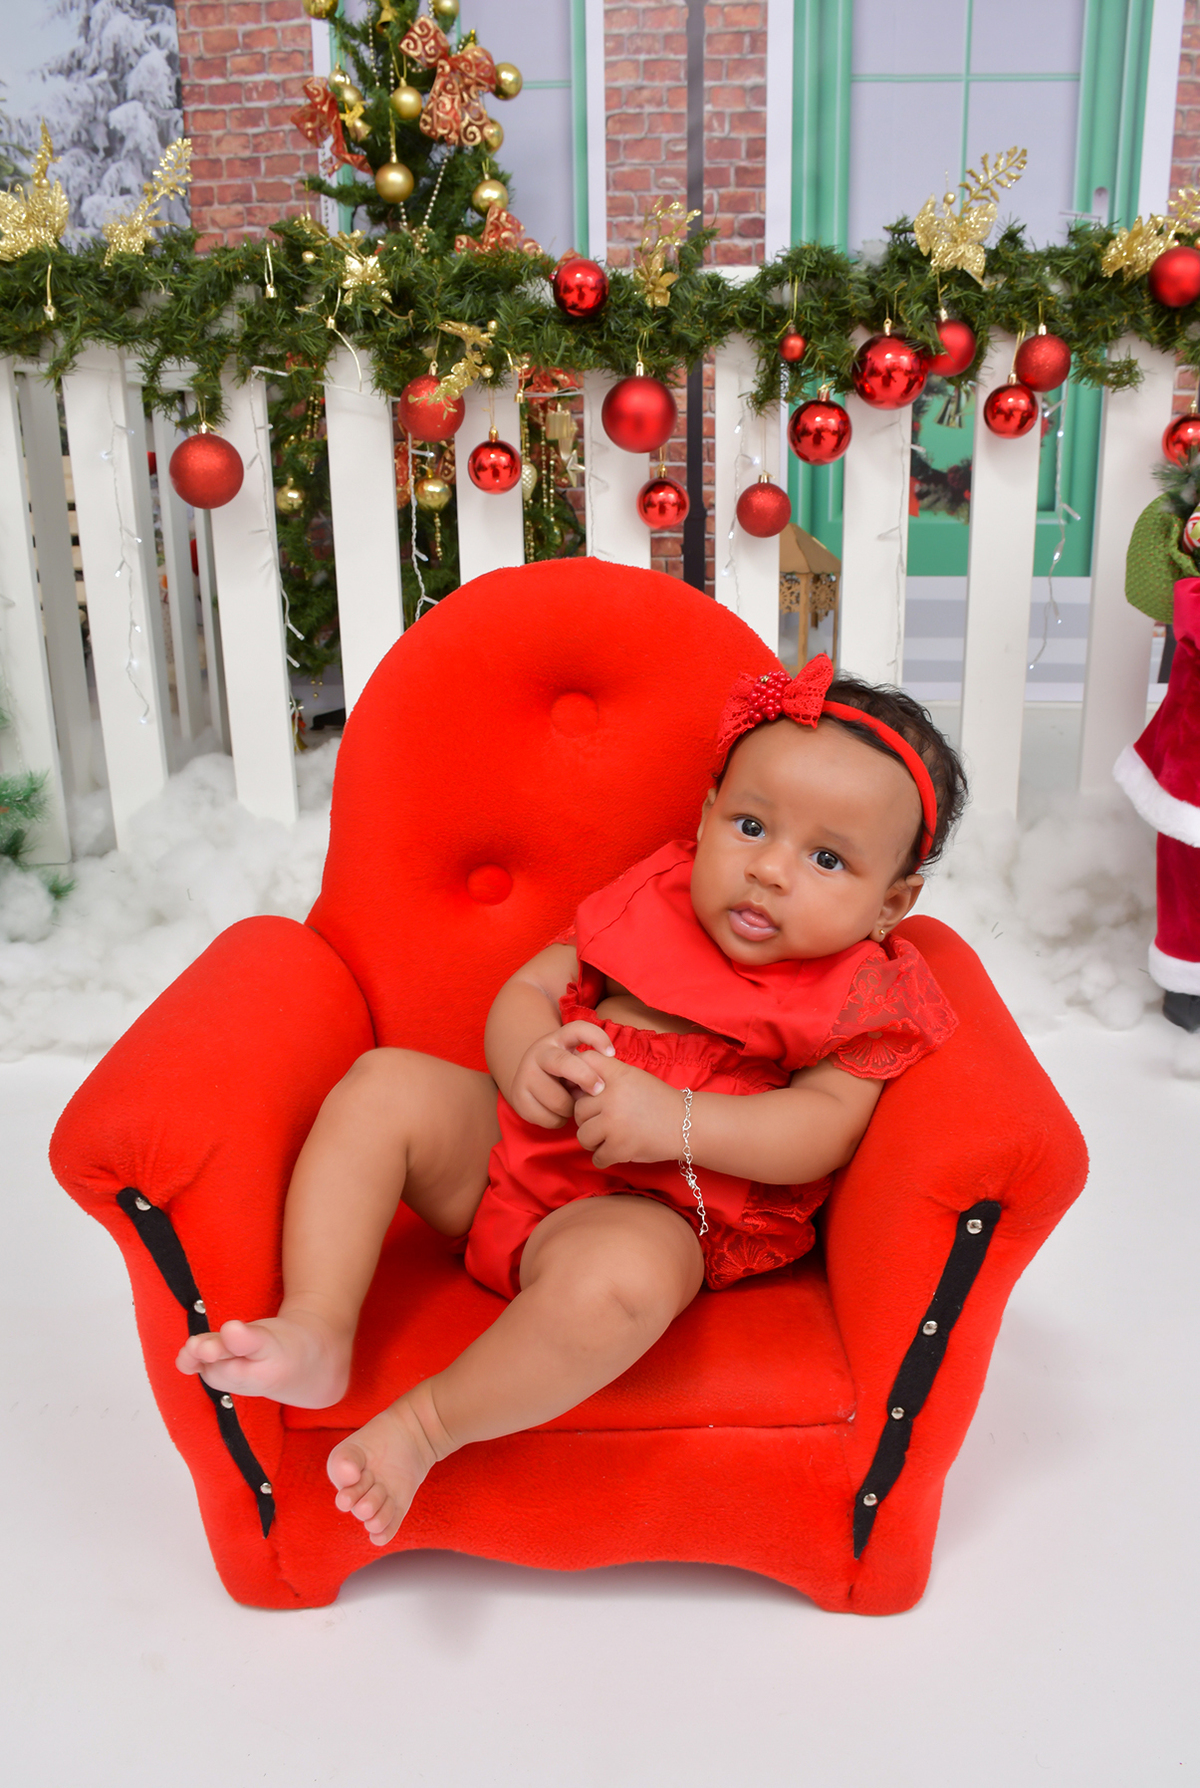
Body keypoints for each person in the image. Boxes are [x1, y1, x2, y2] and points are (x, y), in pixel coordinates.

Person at [177, 656, 967, 1546]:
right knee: (381, 1085)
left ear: (890, 903)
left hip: (652, 1208)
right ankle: (317, 1327)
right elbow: (530, 987)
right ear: (706, 815)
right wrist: (528, 1059)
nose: (771, 870)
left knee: (619, 1287)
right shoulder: (655, 896)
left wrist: (676, 1123)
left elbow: (820, 1130)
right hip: (511, 1149)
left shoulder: (861, 992)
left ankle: (426, 1426)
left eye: (827, 859)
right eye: (750, 826)